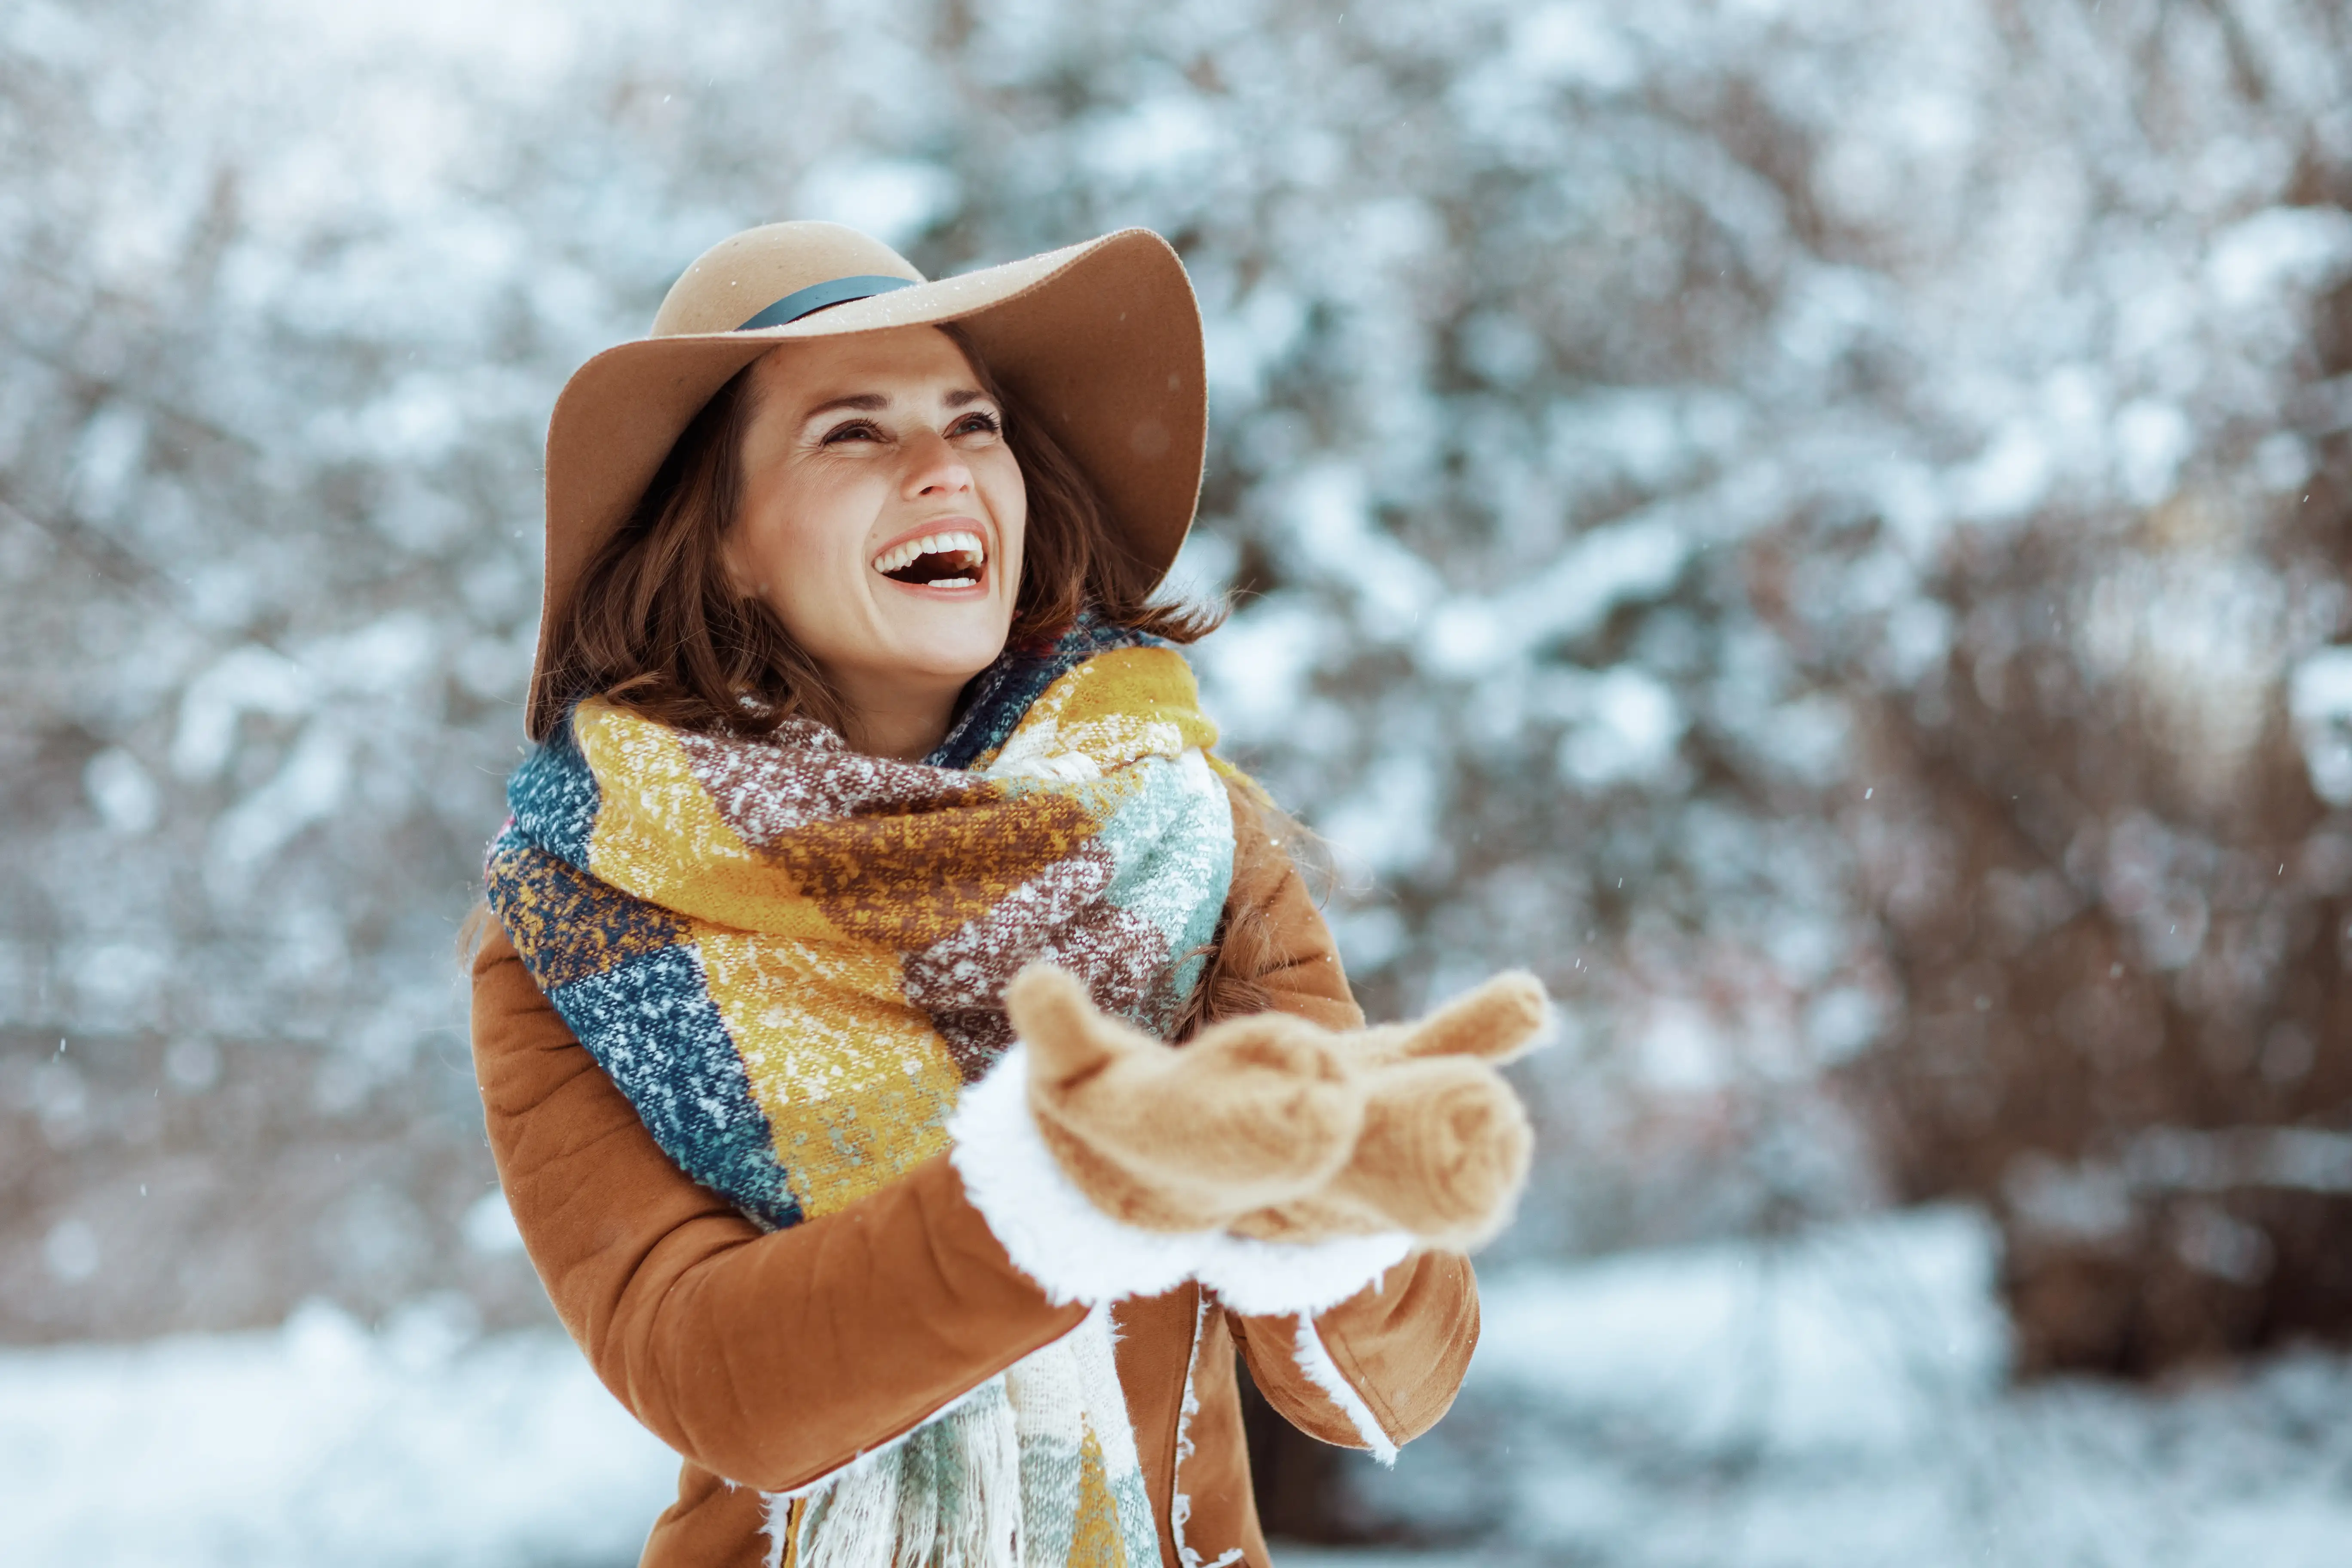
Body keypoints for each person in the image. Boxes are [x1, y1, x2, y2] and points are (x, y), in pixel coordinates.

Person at [468, 220, 1547, 1568]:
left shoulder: (1188, 836)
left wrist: (1330, 1191)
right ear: (724, 540)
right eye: (851, 433)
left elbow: (1390, 1378)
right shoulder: (579, 920)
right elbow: (716, 1374)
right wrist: (1064, 1181)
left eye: (972, 423)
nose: (942, 469)